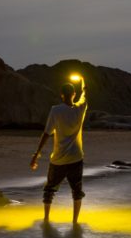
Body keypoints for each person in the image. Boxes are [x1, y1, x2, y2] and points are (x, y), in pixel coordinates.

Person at [30, 76, 88, 225]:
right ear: (73, 94)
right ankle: (75, 221)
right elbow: (85, 92)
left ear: (62, 95)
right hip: (76, 158)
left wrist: (36, 154)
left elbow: (47, 133)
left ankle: (46, 218)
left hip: (59, 159)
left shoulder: (55, 110)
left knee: (49, 189)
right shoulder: (81, 108)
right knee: (77, 191)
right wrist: (82, 79)